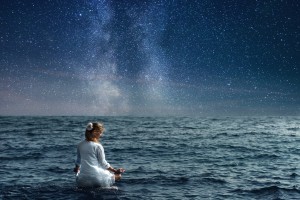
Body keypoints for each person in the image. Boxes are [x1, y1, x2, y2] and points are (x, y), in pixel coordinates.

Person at [73, 122, 125, 187]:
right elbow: (103, 163)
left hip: (82, 180)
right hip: (96, 179)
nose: (101, 135)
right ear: (95, 132)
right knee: (118, 176)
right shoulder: (98, 146)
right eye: (100, 132)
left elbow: (78, 161)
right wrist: (115, 171)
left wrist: (77, 168)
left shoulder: (80, 144)